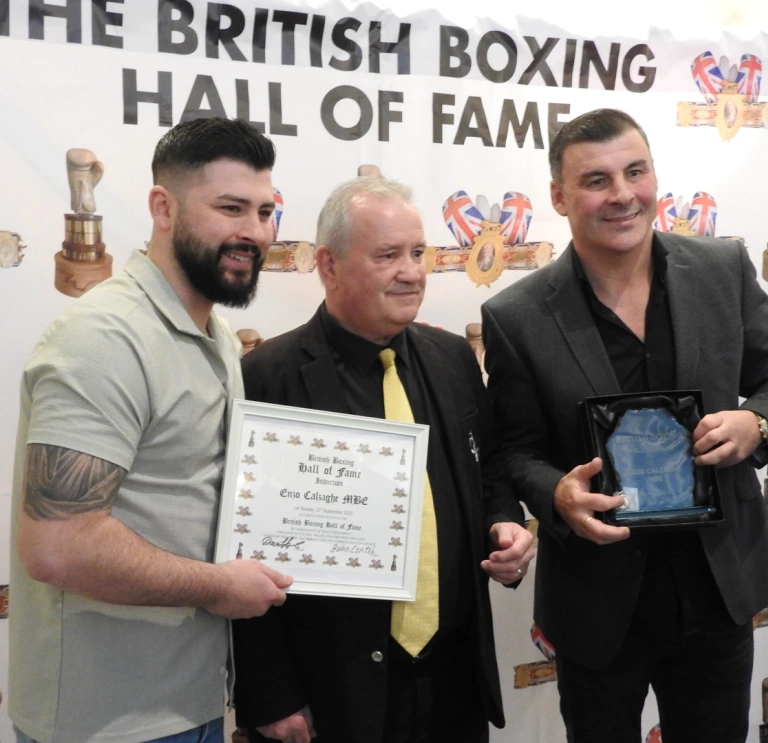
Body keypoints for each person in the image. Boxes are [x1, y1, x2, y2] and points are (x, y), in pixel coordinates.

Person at [482, 108, 768, 743]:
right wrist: (556, 494)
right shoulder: (516, 315)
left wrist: (757, 423)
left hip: (716, 588)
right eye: (596, 180)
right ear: (558, 195)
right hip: (596, 601)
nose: (622, 195)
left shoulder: (724, 269)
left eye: (635, 172)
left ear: (654, 176)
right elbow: (517, 451)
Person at [9, 117, 293, 743]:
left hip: (188, 700)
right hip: (105, 722)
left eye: (266, 211)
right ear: (162, 207)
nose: (253, 231)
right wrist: (219, 587)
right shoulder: (104, 338)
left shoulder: (214, 335)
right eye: (230, 207)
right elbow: (58, 544)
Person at [232, 176, 536, 743]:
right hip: (334, 690)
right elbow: (243, 546)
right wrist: (270, 693)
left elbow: (489, 467)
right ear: (328, 265)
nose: (412, 271)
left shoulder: (451, 357)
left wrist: (506, 523)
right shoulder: (266, 376)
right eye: (387, 255)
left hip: (454, 680)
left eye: (418, 253)